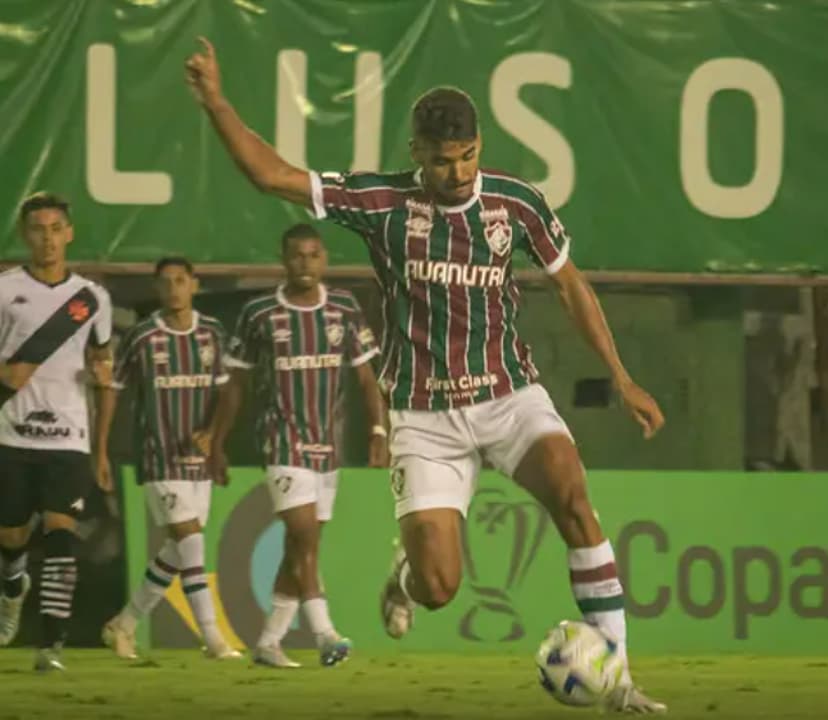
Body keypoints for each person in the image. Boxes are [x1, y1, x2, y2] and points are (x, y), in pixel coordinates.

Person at [185, 38, 668, 711]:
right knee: (438, 588)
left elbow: (570, 286)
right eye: (443, 161)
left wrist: (620, 375)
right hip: (424, 417)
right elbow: (273, 176)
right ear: (417, 154)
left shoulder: (515, 203)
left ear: (480, 145)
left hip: (508, 395)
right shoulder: (381, 202)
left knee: (574, 499)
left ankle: (617, 679)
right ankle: (403, 572)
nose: (459, 172)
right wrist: (214, 100)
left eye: (468, 156)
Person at [205, 223, 386, 668]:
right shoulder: (259, 312)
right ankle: (325, 633)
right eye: (296, 255)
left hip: (330, 443)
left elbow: (367, 379)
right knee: (302, 535)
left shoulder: (344, 308)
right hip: (282, 439)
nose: (305, 262)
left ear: (324, 259)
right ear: (284, 260)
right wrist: (216, 441)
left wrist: (379, 431)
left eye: (313, 254)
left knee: (303, 547)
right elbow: (235, 383)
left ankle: (269, 642)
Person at [97, 257, 241, 661]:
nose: (174, 288)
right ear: (158, 290)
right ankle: (213, 638)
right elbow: (113, 389)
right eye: (166, 282)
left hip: (199, 461)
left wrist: (215, 439)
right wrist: (102, 449)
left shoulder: (212, 333)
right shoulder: (142, 338)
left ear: (194, 285)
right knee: (192, 542)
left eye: (181, 280)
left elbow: (226, 394)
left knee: (178, 554)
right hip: (159, 456)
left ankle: (123, 624)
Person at [0, 192, 114, 671]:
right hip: (12, 436)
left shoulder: (92, 299)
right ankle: (12, 588)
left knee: (62, 537)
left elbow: (105, 371)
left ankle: (51, 645)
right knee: (11, 540)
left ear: (68, 233)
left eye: (55, 229)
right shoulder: (5, 290)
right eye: (38, 229)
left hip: (69, 439)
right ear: (26, 235)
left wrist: (102, 449)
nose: (47, 239)